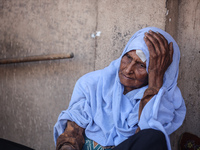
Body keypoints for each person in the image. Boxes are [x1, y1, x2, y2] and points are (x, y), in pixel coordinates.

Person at [54, 27, 186, 150]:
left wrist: (155, 84)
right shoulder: (93, 84)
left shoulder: (166, 101)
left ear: (158, 70)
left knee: (154, 137)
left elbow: (147, 135)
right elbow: (72, 133)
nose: (128, 70)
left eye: (141, 65)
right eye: (128, 57)